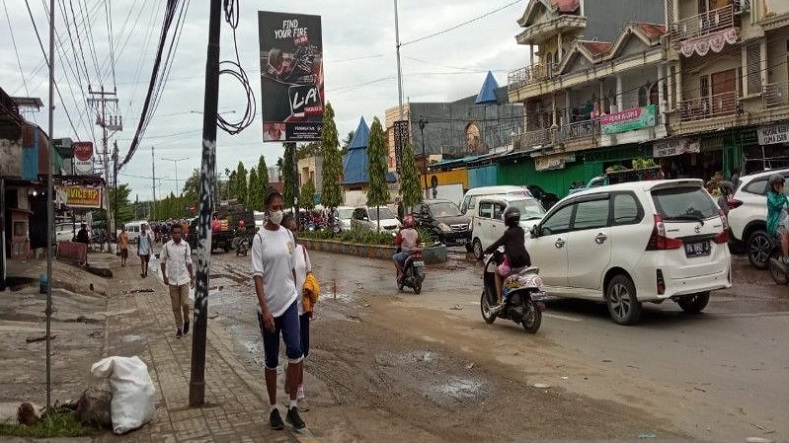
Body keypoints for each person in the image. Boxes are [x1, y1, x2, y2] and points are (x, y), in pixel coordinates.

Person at [252, 189, 306, 431]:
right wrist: (264, 309)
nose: (279, 210)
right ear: (266, 209)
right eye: (275, 207)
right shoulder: (259, 238)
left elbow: (293, 268)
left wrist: (297, 295)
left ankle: (292, 406)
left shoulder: (287, 235)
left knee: (296, 352)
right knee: (272, 359)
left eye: (281, 206)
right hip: (269, 308)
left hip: (289, 303)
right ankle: (274, 408)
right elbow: (258, 276)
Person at [282, 213, 317, 411]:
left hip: (303, 308)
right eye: (290, 229)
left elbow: (309, 272)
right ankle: (299, 391)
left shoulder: (303, 251)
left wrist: (311, 293)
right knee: (297, 352)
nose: (294, 233)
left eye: (295, 229)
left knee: (305, 350)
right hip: (289, 310)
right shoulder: (283, 253)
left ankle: (291, 372)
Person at [483, 207, 531, 312]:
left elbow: (497, 244)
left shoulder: (508, 234)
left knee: (496, 272)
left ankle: (500, 300)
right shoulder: (521, 231)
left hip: (512, 265)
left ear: (507, 219)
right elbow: (515, 245)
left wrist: (486, 251)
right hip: (523, 264)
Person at [160, 224, 194, 339]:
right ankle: (179, 328)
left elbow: (189, 262)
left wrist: (192, 276)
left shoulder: (186, 246)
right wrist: (164, 276)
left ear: (182, 233)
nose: (177, 235)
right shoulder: (166, 247)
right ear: (172, 234)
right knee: (175, 307)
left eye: (179, 232)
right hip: (173, 281)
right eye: (175, 233)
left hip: (184, 279)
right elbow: (163, 261)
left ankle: (187, 319)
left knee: (185, 303)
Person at [766, 174, 789, 265]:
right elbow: (777, 205)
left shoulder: (783, 196)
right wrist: (781, 193)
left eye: (780, 184)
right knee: (785, 234)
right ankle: (786, 259)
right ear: (772, 185)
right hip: (775, 225)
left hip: (785, 222)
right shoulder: (770, 196)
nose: (778, 186)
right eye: (776, 184)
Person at [393, 215, 421, 282]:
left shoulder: (402, 232)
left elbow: (397, 242)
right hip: (415, 252)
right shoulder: (416, 232)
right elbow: (418, 241)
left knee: (394, 258)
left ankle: (401, 273)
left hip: (406, 253)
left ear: (405, 223)